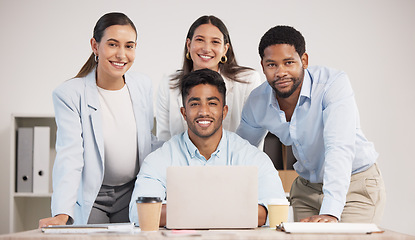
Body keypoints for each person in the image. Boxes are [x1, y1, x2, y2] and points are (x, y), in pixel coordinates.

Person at [236, 26, 386, 224]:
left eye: (288, 62)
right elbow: (240, 152)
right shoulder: (257, 101)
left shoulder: (332, 85)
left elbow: (338, 148)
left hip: (354, 184)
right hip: (306, 189)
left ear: (304, 60)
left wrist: (331, 212)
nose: (281, 72)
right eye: (272, 65)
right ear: (263, 66)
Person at [39, 12, 160, 227]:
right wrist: (61, 213)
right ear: (95, 46)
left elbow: (147, 141)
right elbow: (70, 155)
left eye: (129, 46)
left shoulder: (142, 85)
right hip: (93, 195)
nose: (121, 54)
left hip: (132, 192)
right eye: (113, 44)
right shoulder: (69, 94)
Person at [129, 68, 286, 227]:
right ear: (184, 113)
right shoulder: (160, 158)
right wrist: (230, 209)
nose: (204, 112)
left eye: (212, 103)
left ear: (224, 111)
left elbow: (276, 211)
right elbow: (141, 213)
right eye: (195, 104)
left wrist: (186, 210)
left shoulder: (251, 156)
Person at [156, 15, 262, 141]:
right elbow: (163, 141)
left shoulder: (248, 81)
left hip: (236, 160)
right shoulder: (168, 84)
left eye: (215, 42)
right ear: (189, 45)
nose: (206, 49)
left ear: (225, 49)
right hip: (180, 160)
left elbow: (252, 141)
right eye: (200, 40)